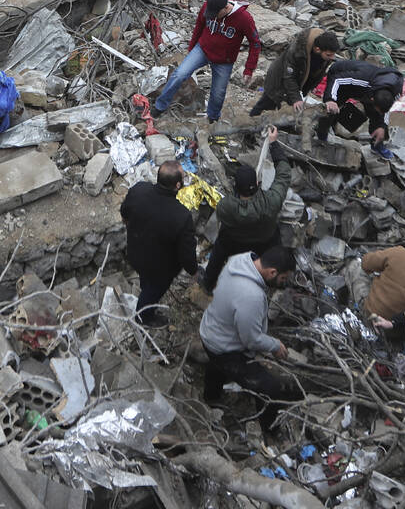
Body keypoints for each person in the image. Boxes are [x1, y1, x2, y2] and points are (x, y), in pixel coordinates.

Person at [198, 247, 301, 424]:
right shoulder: (251, 296)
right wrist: (275, 345)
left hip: (210, 329)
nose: (283, 283)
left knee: (215, 366)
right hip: (223, 348)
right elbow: (251, 339)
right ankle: (269, 428)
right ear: (272, 272)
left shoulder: (241, 260)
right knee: (271, 388)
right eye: (282, 278)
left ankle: (212, 396)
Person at [203, 128, 292, 293]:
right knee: (276, 243)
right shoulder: (271, 201)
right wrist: (273, 144)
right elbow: (284, 174)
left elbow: (222, 217)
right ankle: (274, 280)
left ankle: (208, 284)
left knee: (219, 251)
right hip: (265, 241)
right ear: (258, 185)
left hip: (234, 242)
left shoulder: (226, 206)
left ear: (235, 187)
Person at [153, 0, 261, 124]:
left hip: (224, 60)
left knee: (217, 94)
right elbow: (199, 26)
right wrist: (191, 49)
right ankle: (160, 106)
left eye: (215, 14)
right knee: (179, 74)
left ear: (225, 8)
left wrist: (249, 69)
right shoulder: (208, 7)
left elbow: (255, 43)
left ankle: (212, 119)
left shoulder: (244, 18)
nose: (212, 15)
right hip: (202, 49)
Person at [120, 161, 198, 327]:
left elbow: (124, 213)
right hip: (160, 269)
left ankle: (144, 289)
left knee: (145, 279)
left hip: (135, 252)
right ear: (178, 185)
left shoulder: (139, 190)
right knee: (152, 291)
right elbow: (186, 254)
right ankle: (144, 317)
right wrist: (194, 271)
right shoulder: (182, 216)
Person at [315, 59, 404, 160]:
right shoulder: (362, 79)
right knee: (330, 110)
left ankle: (377, 146)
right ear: (372, 99)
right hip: (340, 76)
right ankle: (321, 137)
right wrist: (330, 99)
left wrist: (382, 126)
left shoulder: (395, 92)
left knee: (377, 118)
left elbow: (385, 111)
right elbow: (337, 80)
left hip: (368, 90)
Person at [249, 28, 339, 115]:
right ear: (317, 49)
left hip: (299, 81)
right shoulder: (297, 51)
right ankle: (249, 123)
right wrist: (296, 99)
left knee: (290, 107)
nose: (332, 58)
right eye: (329, 55)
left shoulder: (325, 51)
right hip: (278, 79)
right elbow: (289, 77)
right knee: (268, 103)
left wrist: (302, 93)